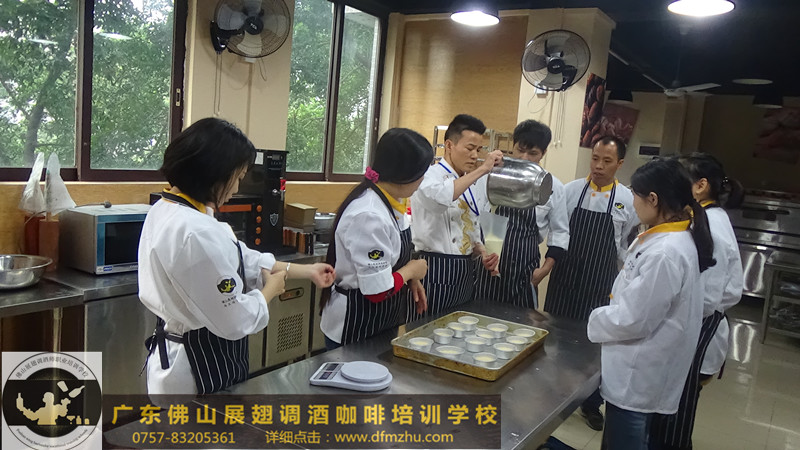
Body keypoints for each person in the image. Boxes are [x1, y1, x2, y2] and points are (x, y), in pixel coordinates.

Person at [138, 118, 335, 395]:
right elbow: (235, 320)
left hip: (183, 353)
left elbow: (241, 256)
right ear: (214, 173)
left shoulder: (168, 208)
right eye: (238, 177)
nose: (236, 188)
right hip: (199, 366)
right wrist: (269, 291)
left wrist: (307, 271)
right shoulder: (196, 231)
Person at [587, 158, 715, 450]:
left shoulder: (666, 252)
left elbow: (635, 319)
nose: (633, 203)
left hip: (638, 374)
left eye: (635, 195)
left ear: (653, 199)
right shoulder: (664, 237)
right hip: (639, 367)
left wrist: (594, 319)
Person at [543, 135, 639, 430]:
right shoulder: (570, 191)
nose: (598, 166)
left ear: (619, 164)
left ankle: (591, 403)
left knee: (596, 344)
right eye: (595, 158)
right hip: (565, 279)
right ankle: (553, 394)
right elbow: (559, 232)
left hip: (601, 281)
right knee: (557, 337)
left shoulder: (627, 200)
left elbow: (625, 247)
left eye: (606, 161)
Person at [650, 154, 744, 450]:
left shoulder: (711, 225)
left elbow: (707, 299)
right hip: (690, 328)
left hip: (698, 331)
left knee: (674, 420)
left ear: (701, 186)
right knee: (669, 412)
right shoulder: (704, 217)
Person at [320, 128, 432, 348]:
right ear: (406, 173)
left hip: (383, 319)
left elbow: (390, 260)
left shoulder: (391, 202)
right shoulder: (369, 215)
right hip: (356, 323)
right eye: (422, 172)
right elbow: (377, 291)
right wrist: (411, 270)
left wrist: (412, 279)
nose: (422, 179)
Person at [409, 114, 503, 319]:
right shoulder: (428, 175)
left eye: (479, 150)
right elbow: (440, 200)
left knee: (459, 328)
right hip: (433, 268)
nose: (475, 156)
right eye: (470, 148)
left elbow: (470, 224)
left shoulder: (469, 182)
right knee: (429, 329)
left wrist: (482, 251)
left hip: (464, 270)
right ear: (449, 145)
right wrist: (483, 169)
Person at [474, 119, 569, 309]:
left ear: (543, 153)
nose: (524, 158)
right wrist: (482, 252)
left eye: (532, 153)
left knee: (521, 324)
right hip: (487, 267)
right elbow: (474, 219)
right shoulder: (490, 176)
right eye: (520, 150)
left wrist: (543, 271)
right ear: (513, 145)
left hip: (525, 273)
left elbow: (560, 232)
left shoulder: (552, 187)